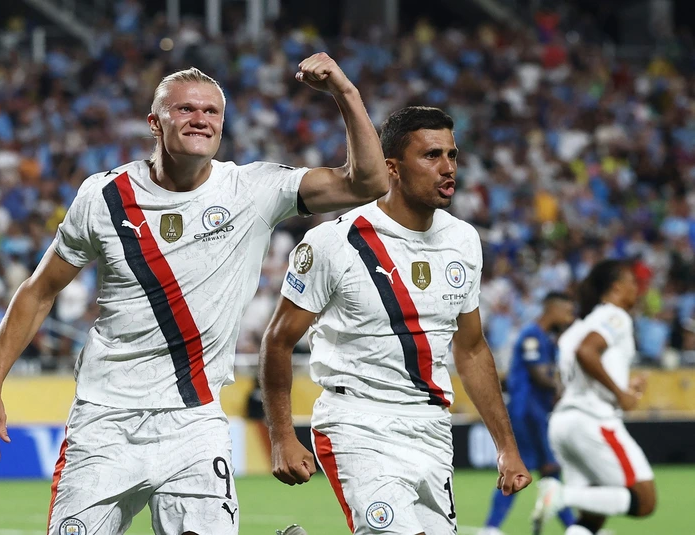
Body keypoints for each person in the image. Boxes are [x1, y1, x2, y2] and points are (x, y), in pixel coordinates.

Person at [0, 53, 389, 535]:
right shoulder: (104, 197)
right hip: (105, 420)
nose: (200, 119)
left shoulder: (253, 189)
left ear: (222, 125)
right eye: (185, 108)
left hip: (195, 423)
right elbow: (39, 291)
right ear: (155, 122)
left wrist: (345, 93)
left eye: (211, 111)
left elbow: (369, 183)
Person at [259, 106, 531, 535]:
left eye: (452, 155)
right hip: (357, 422)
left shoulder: (463, 241)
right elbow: (278, 340)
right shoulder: (335, 242)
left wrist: (506, 447)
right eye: (431, 155)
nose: (448, 168)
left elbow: (472, 349)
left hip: (431, 427)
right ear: (393, 167)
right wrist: (281, 436)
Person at [532, 260, 657, 535]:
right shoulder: (615, 316)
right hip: (593, 421)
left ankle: (565, 500)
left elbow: (574, 374)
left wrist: (624, 386)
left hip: (564, 422)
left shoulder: (578, 327)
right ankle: (560, 495)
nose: (637, 288)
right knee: (644, 500)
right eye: (632, 282)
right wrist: (620, 394)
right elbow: (586, 352)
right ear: (616, 287)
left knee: (592, 518)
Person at [479, 292, 576, 535]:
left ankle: (573, 527)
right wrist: (563, 389)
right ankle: (491, 528)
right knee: (528, 470)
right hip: (526, 414)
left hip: (536, 413)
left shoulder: (545, 338)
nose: (569, 317)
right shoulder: (531, 336)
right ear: (552, 309)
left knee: (549, 470)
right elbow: (540, 375)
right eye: (566, 312)